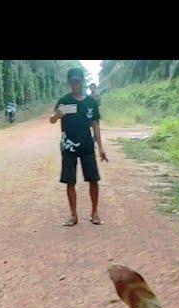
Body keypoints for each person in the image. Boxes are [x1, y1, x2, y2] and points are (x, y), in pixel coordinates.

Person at [50, 68, 108, 227]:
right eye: (73, 81)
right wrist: (57, 115)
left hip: (87, 146)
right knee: (70, 181)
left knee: (93, 180)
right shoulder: (64, 101)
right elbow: (52, 119)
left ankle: (94, 213)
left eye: (78, 81)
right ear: (70, 82)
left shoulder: (91, 102)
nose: (76, 84)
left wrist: (101, 148)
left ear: (82, 81)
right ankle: (73, 215)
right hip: (69, 146)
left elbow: (95, 125)